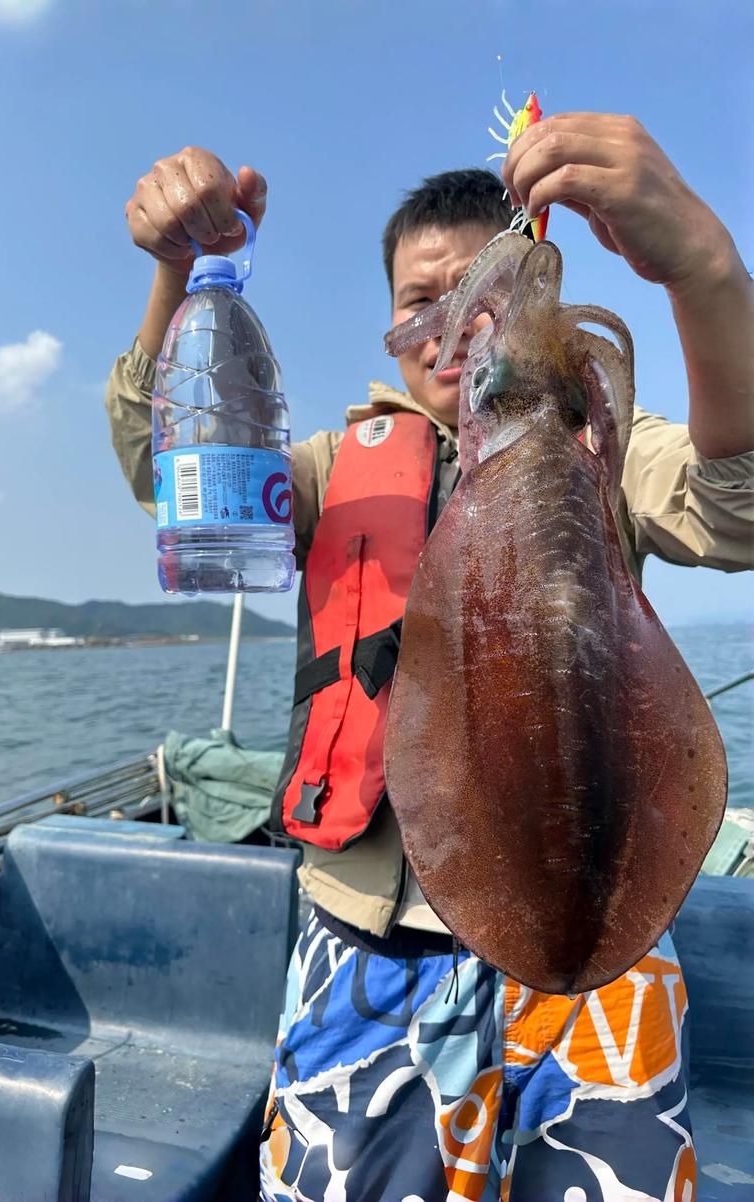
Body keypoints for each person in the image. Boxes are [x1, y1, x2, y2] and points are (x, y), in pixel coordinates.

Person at [106, 114, 753, 1200]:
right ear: (391, 332)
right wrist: (183, 281)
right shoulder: (329, 465)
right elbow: (169, 470)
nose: (455, 326)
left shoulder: (600, 438)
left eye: (480, 298)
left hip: (599, 937)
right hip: (367, 939)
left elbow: (736, 509)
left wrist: (700, 266)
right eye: (421, 304)